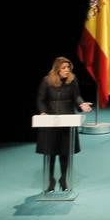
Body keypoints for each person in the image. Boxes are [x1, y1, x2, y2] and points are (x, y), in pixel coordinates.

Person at [35, 56, 93, 192]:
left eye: (68, 67)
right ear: (57, 69)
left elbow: (76, 96)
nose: (67, 70)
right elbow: (41, 99)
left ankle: (63, 179)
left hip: (67, 121)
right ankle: (50, 180)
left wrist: (81, 104)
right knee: (51, 153)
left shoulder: (72, 80)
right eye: (64, 68)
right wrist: (43, 112)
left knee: (65, 152)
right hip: (50, 122)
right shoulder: (47, 81)